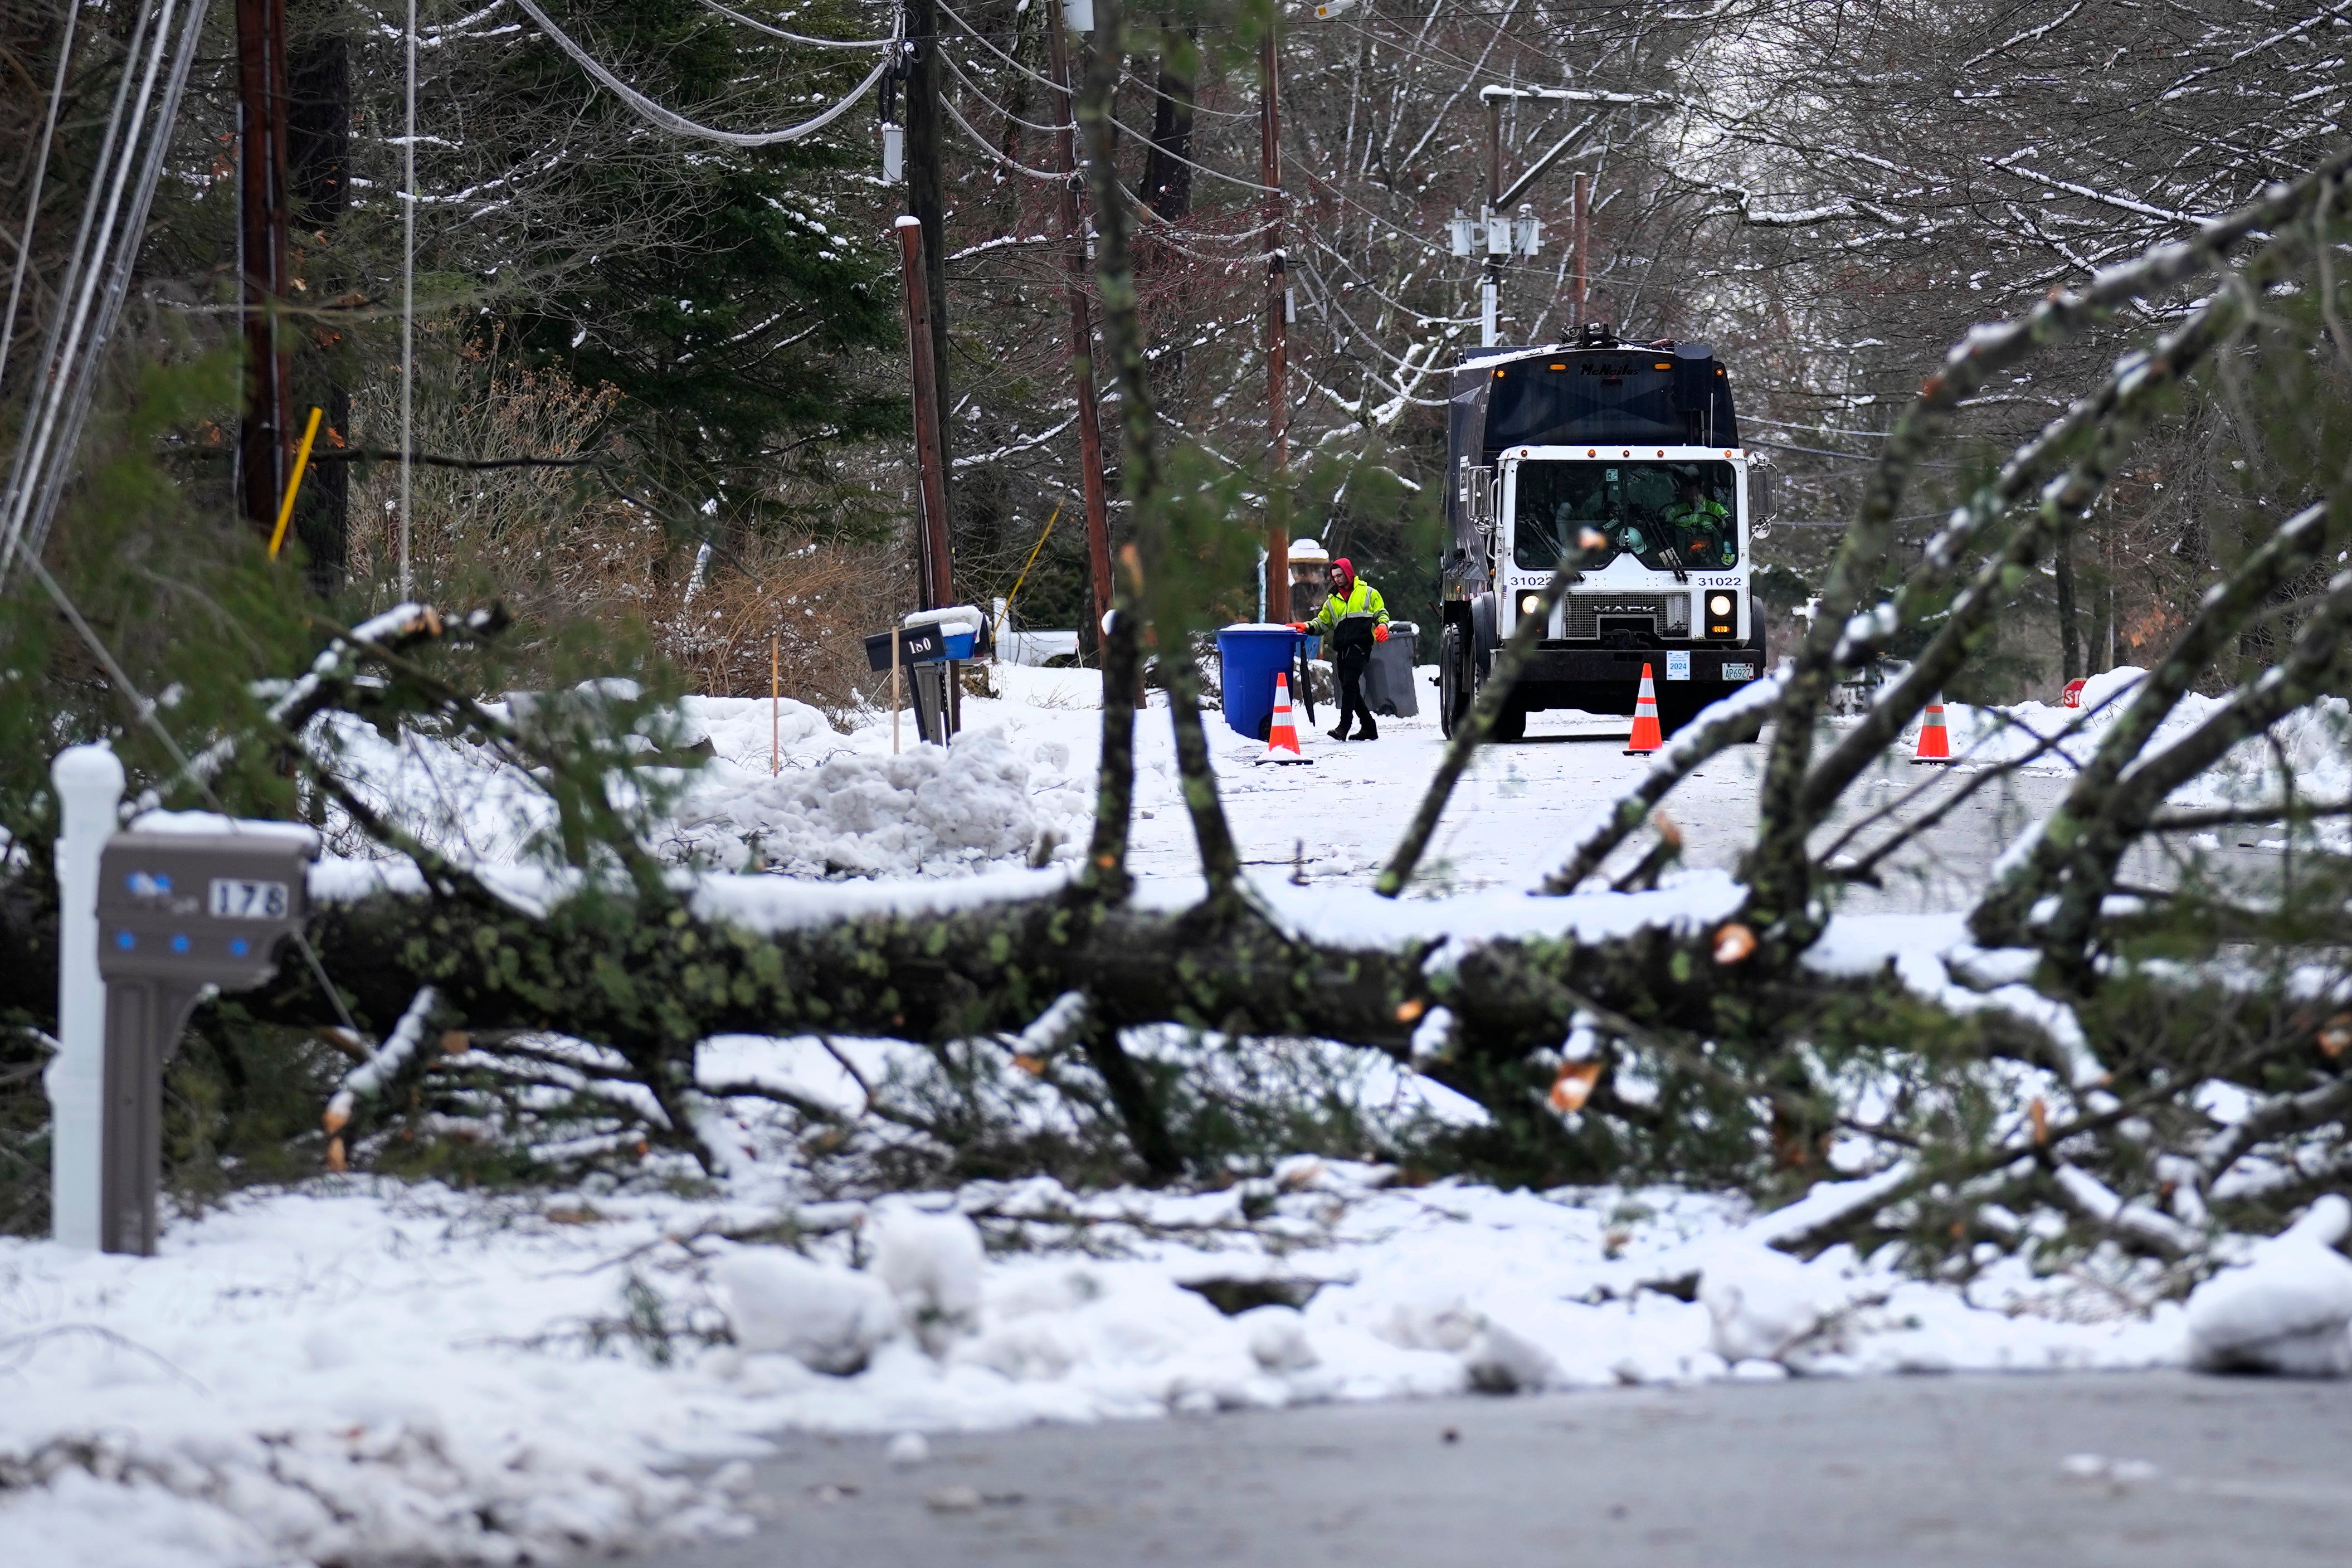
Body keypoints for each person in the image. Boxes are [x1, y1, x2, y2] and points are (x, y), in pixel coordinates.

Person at [1308, 556, 1390, 741]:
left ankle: (1343, 727)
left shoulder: (1369, 593)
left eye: (1340, 575)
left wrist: (1383, 625)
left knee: (1350, 684)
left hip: (1360, 646)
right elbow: (1322, 623)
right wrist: (1306, 627)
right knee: (1349, 687)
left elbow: (1381, 613)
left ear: (1349, 573)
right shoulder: (1332, 601)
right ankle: (1369, 726)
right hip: (1342, 650)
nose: (1337, 579)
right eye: (1334, 576)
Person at [1664, 474, 1735, 568]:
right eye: (1691, 495)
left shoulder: (1715, 508)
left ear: (1702, 491)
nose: (1694, 498)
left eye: (1697, 495)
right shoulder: (1677, 510)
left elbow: (1728, 522)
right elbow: (1665, 527)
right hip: (1682, 556)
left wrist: (1715, 527)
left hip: (1713, 554)